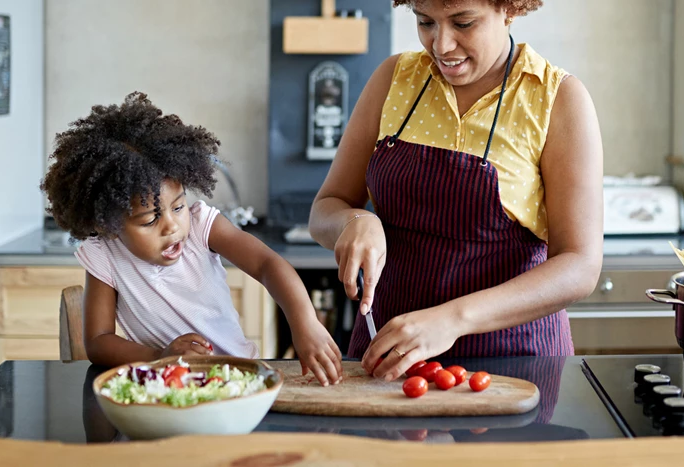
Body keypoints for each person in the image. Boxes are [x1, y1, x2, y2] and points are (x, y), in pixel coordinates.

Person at [309, 0, 603, 381]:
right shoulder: (394, 79)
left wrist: (450, 320)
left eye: (463, 23)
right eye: (425, 22)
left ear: (509, 10)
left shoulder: (556, 98)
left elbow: (580, 265)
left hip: (511, 364)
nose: (441, 44)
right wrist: (355, 220)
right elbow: (325, 208)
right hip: (390, 356)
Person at [42, 92, 343, 385]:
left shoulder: (201, 226)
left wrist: (304, 322)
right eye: (149, 220)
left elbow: (267, 264)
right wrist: (160, 356)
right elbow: (98, 341)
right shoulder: (105, 254)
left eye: (178, 206)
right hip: (164, 389)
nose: (172, 226)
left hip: (239, 379)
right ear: (109, 224)